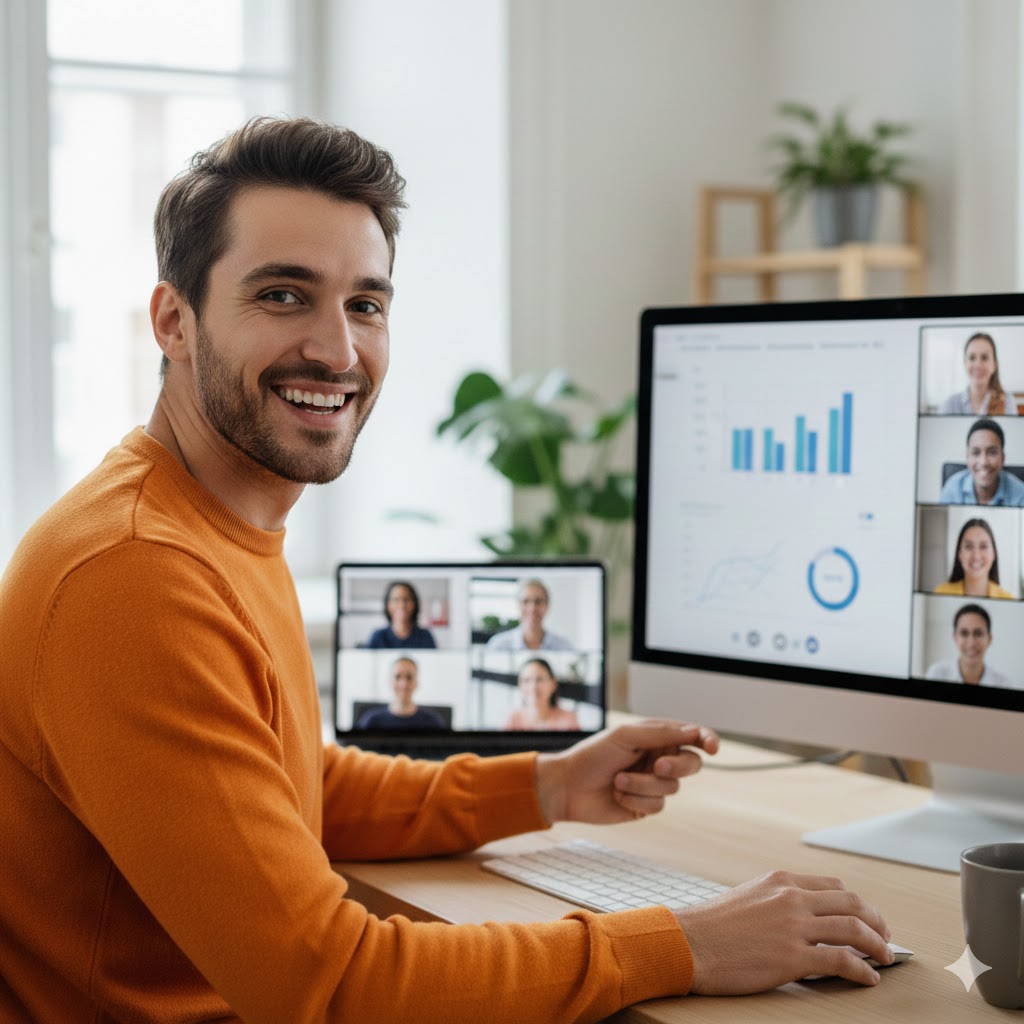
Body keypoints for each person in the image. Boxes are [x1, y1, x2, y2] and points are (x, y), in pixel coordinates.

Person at [0, 117, 894, 1023]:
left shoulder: (210, 523)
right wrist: (687, 944)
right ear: (174, 322)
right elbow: (329, 983)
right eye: (282, 295)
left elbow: (296, 786)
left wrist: (547, 786)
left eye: (365, 305)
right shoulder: (136, 577)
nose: (337, 351)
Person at [925, 604, 1017, 687]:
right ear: (955, 638)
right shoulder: (936, 675)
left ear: (989, 639)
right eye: (964, 633)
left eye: (978, 633)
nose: (971, 643)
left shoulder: (1003, 684)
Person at [938, 417, 1024, 506]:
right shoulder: (952, 489)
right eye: (976, 453)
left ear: (1003, 458)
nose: (984, 462)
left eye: (992, 452)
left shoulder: (1021, 494)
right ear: (967, 457)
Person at [937, 332, 1018, 416]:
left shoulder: (1007, 402)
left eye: (984, 358)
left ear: (994, 365)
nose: (978, 365)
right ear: (965, 363)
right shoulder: (948, 405)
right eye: (972, 358)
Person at [356, 656, 447, 729]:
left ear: (416, 682)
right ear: (390, 681)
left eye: (409, 677)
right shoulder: (371, 721)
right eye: (397, 677)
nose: (403, 684)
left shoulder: (434, 722)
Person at [933, 518, 1014, 599]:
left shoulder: (1008, 599)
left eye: (983, 546)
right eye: (968, 546)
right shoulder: (940, 594)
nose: (976, 556)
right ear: (959, 553)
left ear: (993, 553)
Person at [485, 578, 573, 650]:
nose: (532, 608)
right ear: (518, 605)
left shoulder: (564, 647)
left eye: (538, 601)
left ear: (547, 606)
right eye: (526, 601)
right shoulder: (498, 645)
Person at [504, 657, 582, 731]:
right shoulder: (513, 719)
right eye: (527, 680)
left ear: (553, 684)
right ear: (520, 685)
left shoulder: (569, 720)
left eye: (539, 679)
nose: (533, 687)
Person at [364, 580, 437, 648]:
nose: (402, 605)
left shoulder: (425, 636)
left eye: (407, 599)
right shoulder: (378, 636)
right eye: (396, 600)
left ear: (414, 604)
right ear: (388, 605)